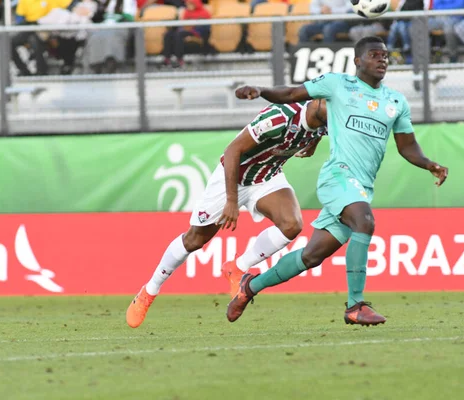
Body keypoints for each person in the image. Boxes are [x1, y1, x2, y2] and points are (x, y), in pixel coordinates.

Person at [227, 36, 449, 326]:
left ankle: (249, 288)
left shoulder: (396, 101)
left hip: (361, 187)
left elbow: (407, 146)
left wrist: (429, 163)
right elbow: (292, 93)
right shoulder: (337, 84)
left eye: (385, 56)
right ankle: (355, 305)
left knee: (311, 256)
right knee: (365, 221)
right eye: (374, 55)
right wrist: (261, 90)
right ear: (357, 61)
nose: (382, 60)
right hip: (338, 177)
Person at [126, 99, 329, 328]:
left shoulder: (326, 119)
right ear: (317, 104)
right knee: (195, 239)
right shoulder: (279, 118)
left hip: (267, 176)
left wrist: (313, 142)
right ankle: (149, 290)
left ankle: (237, 267)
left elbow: (320, 129)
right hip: (233, 177)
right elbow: (232, 150)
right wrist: (232, 201)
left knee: (292, 225)